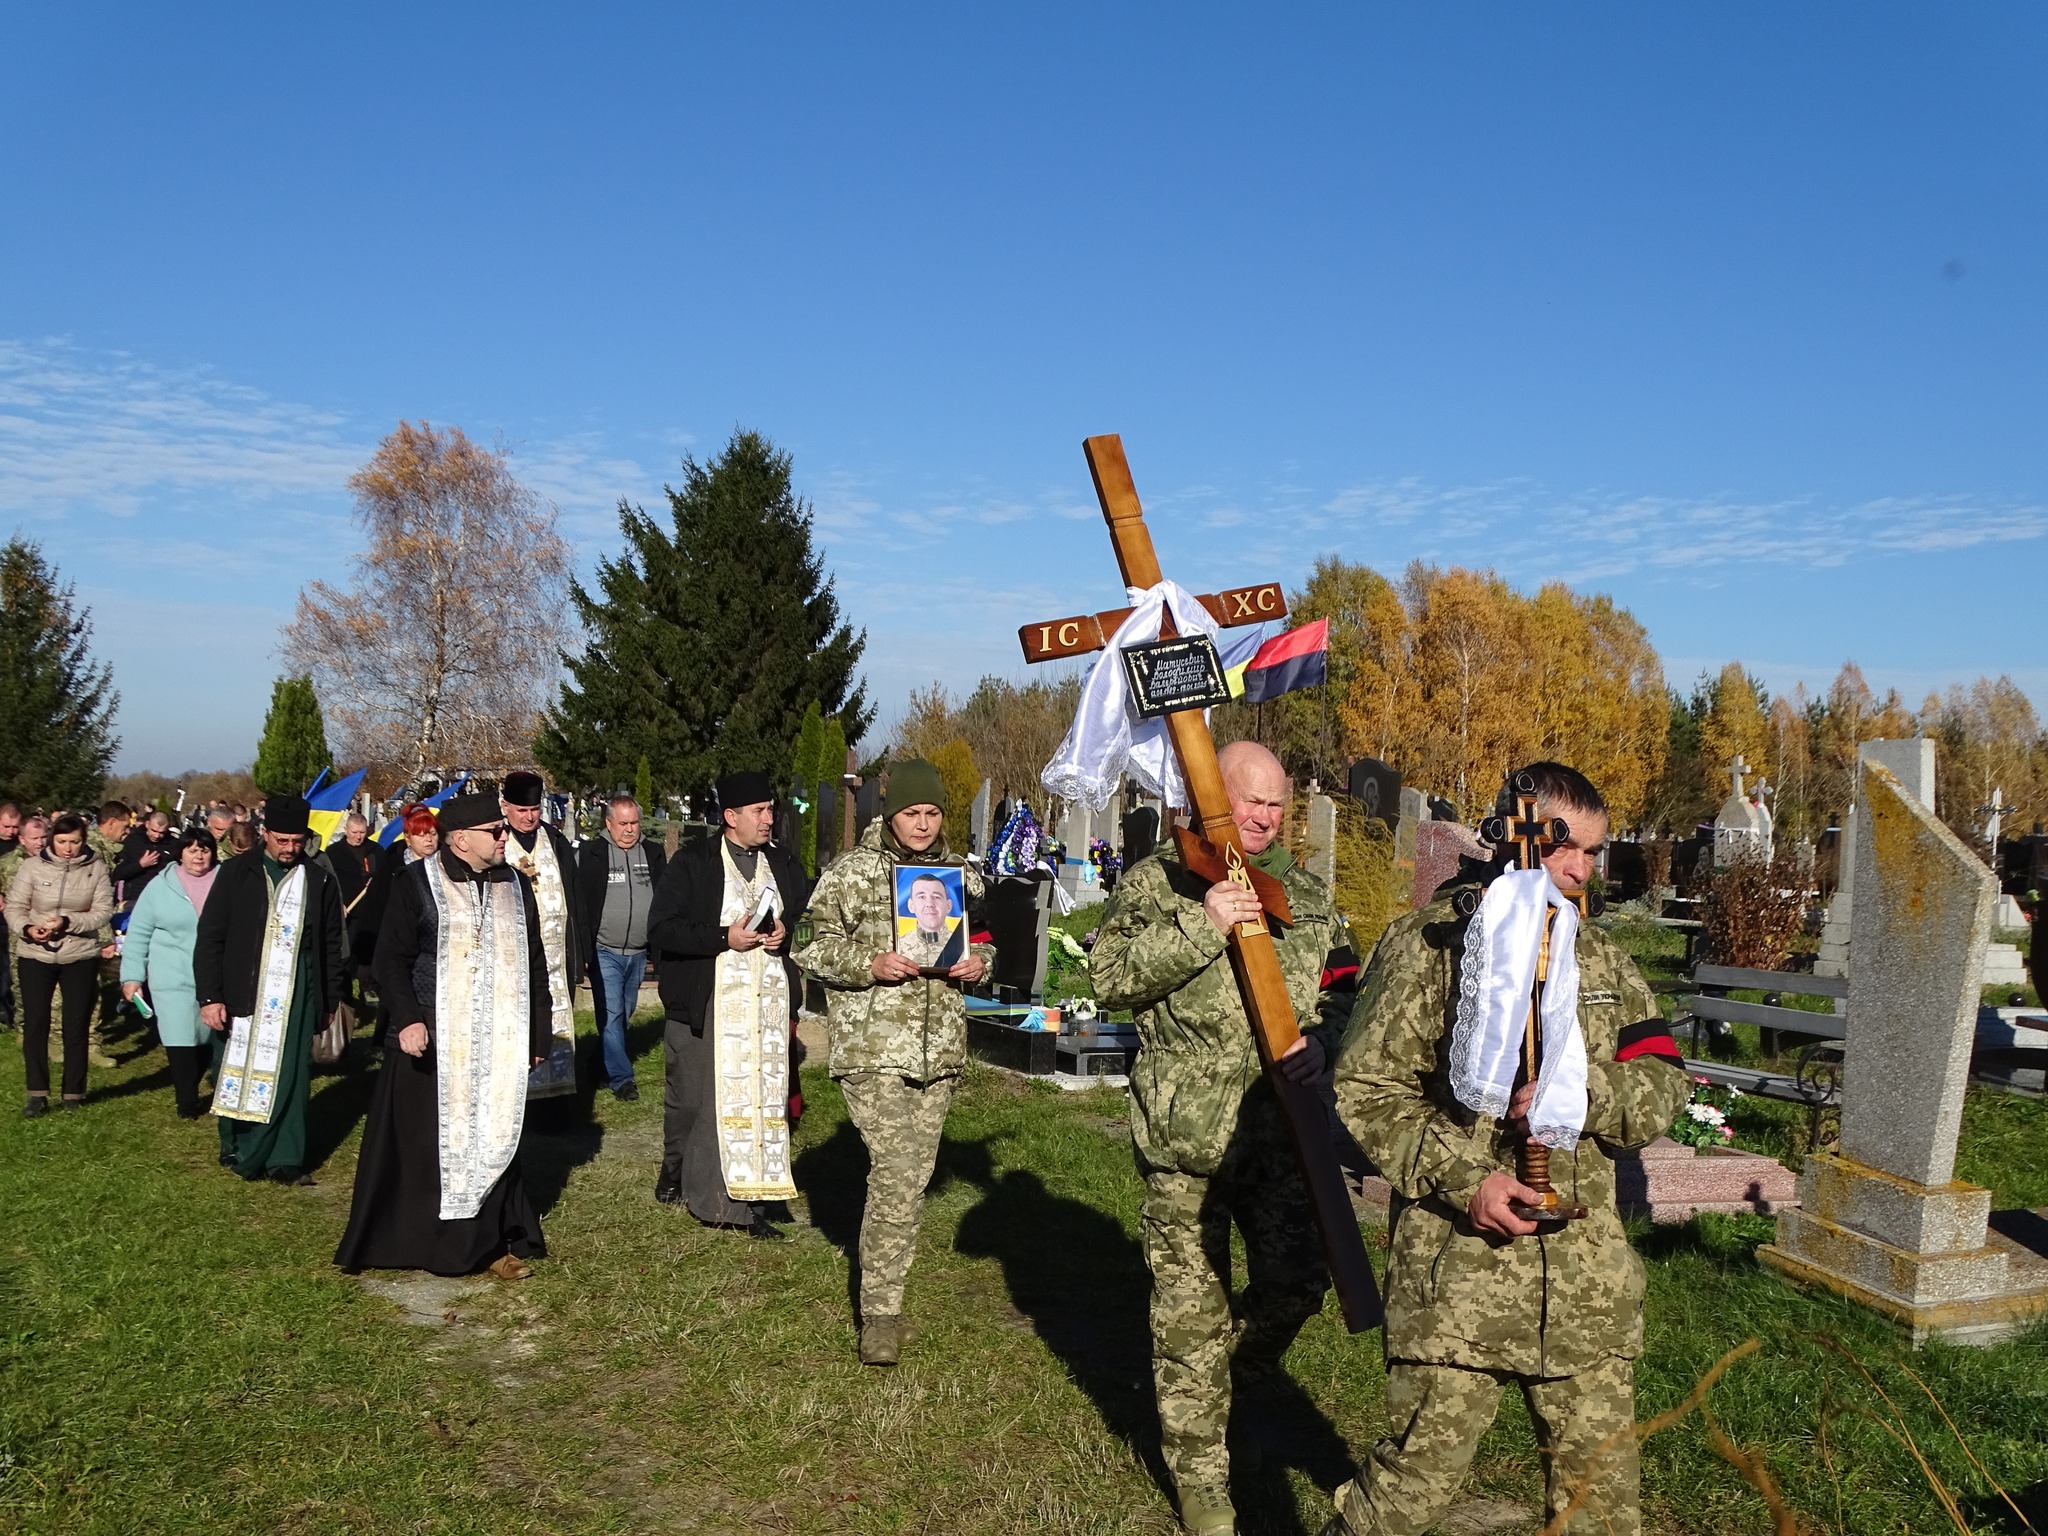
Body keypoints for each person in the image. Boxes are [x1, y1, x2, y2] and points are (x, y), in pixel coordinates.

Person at [1320, 763, 1690, 1536]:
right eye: (1570, 850)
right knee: (1406, 1496)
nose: (1584, 871)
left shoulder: (1605, 964)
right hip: (1461, 1283)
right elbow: (1366, 1090)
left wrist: (1585, 1098)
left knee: (1601, 1511)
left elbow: (1662, 1082)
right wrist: (1469, 1180)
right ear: (1519, 840)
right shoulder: (1432, 948)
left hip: (1586, 1291)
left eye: (1595, 853)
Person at [1088, 741, 1345, 1536]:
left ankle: (1222, 1391)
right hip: (1186, 1141)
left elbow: (1342, 994)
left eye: (1276, 803)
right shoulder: (1157, 883)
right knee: (1189, 1320)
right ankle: (1203, 1481)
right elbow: (1108, 982)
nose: (1265, 817)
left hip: (1278, 1133)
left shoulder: (1304, 894)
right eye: (1249, 801)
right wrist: (1202, 928)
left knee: (1301, 1283)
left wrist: (1325, 1046)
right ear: (1210, 800)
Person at [794, 759, 992, 1365]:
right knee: (899, 1170)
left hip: (940, 1053)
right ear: (892, 813)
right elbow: (807, 942)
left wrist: (981, 965)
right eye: (913, 813)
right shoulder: (854, 874)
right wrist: (868, 963)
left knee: (912, 1177)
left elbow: (984, 945)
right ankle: (878, 1315)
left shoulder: (960, 877)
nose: (924, 825)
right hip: (874, 1048)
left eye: (933, 813)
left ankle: (889, 1299)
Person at [334, 789, 553, 1279]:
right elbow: (391, 959)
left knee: (493, 1135)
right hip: (431, 1037)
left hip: (498, 1037)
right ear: (459, 841)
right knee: (429, 1143)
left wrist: (539, 1036)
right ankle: (423, 1240)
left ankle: (491, 1243)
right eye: (494, 832)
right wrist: (408, 1019)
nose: (504, 837)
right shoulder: (416, 883)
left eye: (503, 829)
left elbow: (536, 965)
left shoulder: (515, 886)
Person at [644, 772, 807, 1234]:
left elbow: (804, 918)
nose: (769, 819)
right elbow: (663, 928)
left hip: (766, 1010)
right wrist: (724, 937)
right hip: (708, 1000)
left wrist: (785, 934)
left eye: (770, 809)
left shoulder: (782, 862)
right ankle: (676, 1169)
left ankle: (737, 1200)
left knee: (760, 1100)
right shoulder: (694, 862)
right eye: (759, 811)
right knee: (694, 1102)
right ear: (731, 817)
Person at [192, 794, 350, 1185]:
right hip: (240, 992)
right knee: (235, 1070)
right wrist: (210, 996)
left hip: (297, 994)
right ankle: (237, 1145)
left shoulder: (319, 879)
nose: (290, 848)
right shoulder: (236, 873)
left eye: (297, 841)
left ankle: (285, 1157)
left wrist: (329, 1000)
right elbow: (212, 935)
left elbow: (330, 944)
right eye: (282, 840)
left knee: (293, 1076)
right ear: (265, 834)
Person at [11, 813, 115, 1114]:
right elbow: (16, 907)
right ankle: (37, 1092)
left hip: (79, 954)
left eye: (74, 842)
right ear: (51, 840)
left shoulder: (95, 868)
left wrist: (69, 922)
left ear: (83, 841)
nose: (68, 848)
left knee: (75, 1024)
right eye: (61, 841)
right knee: (36, 1022)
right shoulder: (31, 867)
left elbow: (103, 911)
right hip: (35, 954)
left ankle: (73, 1093)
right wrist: (29, 929)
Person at [120, 829, 220, 1118]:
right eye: (191, 850)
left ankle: (198, 1081)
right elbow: (138, 933)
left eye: (204, 849)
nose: (198, 855)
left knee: (206, 1040)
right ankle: (186, 1100)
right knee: (179, 1038)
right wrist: (132, 976)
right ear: (180, 853)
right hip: (171, 976)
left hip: (214, 975)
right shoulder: (159, 887)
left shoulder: (226, 880)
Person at [575, 794, 667, 1102]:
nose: (629, 830)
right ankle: (622, 1079)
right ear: (609, 823)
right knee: (612, 1014)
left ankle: (596, 1063)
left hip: (638, 952)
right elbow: (580, 902)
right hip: (605, 950)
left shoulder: (652, 853)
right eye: (623, 823)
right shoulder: (591, 854)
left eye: (634, 823)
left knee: (623, 1013)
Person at [500, 770, 583, 1100]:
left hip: (556, 959)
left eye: (534, 810)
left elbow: (575, 898)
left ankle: (555, 1104)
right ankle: (517, 1102)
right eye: (521, 811)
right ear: (505, 806)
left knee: (556, 1023)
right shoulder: (497, 840)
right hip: (513, 958)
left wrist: (580, 952)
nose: (528, 817)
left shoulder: (555, 841)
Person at [895, 872, 964, 970]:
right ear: (911, 906)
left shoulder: (964, 944)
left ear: (948, 906)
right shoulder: (897, 947)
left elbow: (986, 949)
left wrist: (981, 962)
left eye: (936, 897)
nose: (929, 904)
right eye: (922, 897)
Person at [114, 810, 177, 902]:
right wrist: (140, 865)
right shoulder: (132, 841)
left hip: (161, 898)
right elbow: (118, 873)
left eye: (161, 833)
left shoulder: (173, 845)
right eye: (154, 830)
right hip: (134, 899)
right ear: (147, 824)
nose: (156, 835)